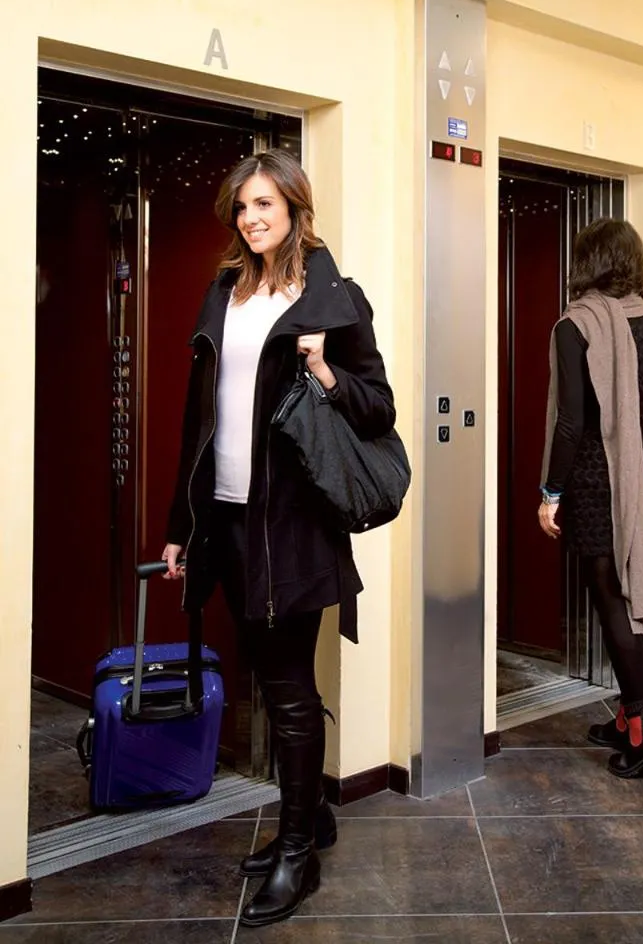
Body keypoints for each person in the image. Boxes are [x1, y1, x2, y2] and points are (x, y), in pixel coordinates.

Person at [162, 151, 396, 927]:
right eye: (241, 208)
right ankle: (311, 819)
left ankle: (298, 850)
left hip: (293, 524)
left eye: (265, 204)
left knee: (290, 688)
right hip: (227, 517)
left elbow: (378, 409)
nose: (251, 219)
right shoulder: (224, 292)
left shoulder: (329, 297)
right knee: (277, 679)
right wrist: (179, 528)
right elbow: (200, 421)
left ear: (295, 207)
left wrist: (327, 370)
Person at [537, 218, 643, 779]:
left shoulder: (574, 325)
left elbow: (572, 423)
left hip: (597, 475)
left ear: (588, 262)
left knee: (610, 598)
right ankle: (630, 716)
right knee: (635, 591)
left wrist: (550, 493)